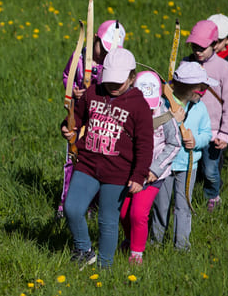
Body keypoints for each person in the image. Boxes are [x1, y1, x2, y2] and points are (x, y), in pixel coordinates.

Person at [60, 48, 153, 268]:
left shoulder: (139, 106)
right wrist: (67, 127)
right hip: (88, 165)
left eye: (118, 83)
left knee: (108, 221)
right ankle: (84, 250)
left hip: (118, 173)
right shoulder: (93, 92)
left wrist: (138, 175)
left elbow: (145, 145)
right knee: (72, 208)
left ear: (132, 78)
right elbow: (77, 118)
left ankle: (105, 267)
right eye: (109, 81)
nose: (112, 87)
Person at [59, 19, 127, 215]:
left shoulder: (113, 65)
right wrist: (73, 90)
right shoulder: (78, 58)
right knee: (73, 159)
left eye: (110, 52)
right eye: (103, 50)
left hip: (99, 122)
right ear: (94, 39)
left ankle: (92, 204)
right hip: (77, 119)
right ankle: (65, 202)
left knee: (97, 162)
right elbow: (67, 76)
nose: (106, 55)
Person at [118, 71, 181, 266]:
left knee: (138, 213)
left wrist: (155, 169)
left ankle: (137, 254)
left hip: (153, 174)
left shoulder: (164, 115)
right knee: (123, 213)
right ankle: (130, 239)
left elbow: (175, 144)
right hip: (131, 171)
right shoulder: (127, 111)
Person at [149, 63, 212, 251]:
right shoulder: (163, 104)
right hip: (165, 165)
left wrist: (196, 140)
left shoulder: (200, 109)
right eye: (201, 88)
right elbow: (153, 127)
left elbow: (207, 133)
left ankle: (182, 245)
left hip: (187, 166)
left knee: (183, 205)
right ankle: (156, 241)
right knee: (161, 205)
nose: (203, 92)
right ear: (191, 88)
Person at [185, 19, 228, 212]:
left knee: (210, 170)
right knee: (187, 168)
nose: (197, 51)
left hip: (213, 131)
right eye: (194, 46)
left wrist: (224, 133)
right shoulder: (186, 63)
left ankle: (212, 196)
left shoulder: (224, 68)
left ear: (215, 45)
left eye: (202, 47)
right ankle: (185, 199)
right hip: (190, 128)